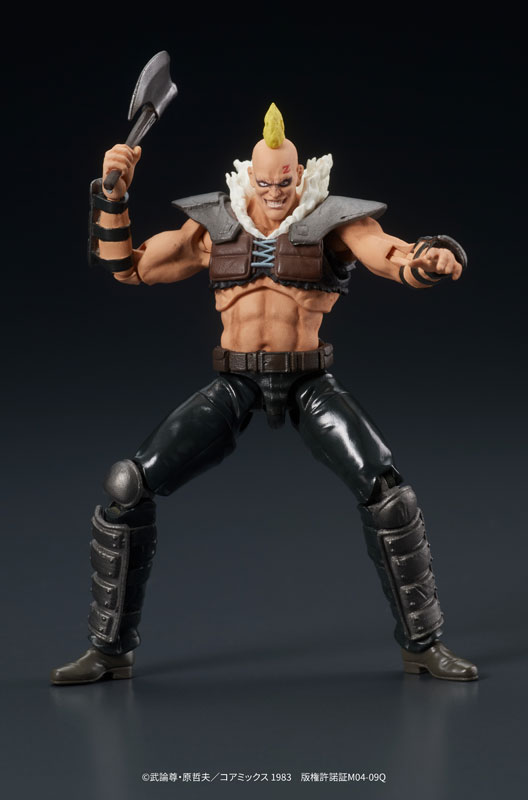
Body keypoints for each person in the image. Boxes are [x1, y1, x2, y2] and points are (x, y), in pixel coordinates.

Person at [51, 104, 477, 684]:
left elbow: (391, 255)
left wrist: (429, 258)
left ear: (299, 175)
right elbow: (127, 267)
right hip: (236, 379)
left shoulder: (332, 220)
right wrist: (113, 197)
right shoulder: (215, 225)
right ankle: (109, 651)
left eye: (285, 181)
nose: (275, 193)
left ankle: (423, 646)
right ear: (249, 177)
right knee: (128, 487)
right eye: (266, 182)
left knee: (388, 493)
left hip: (307, 381)